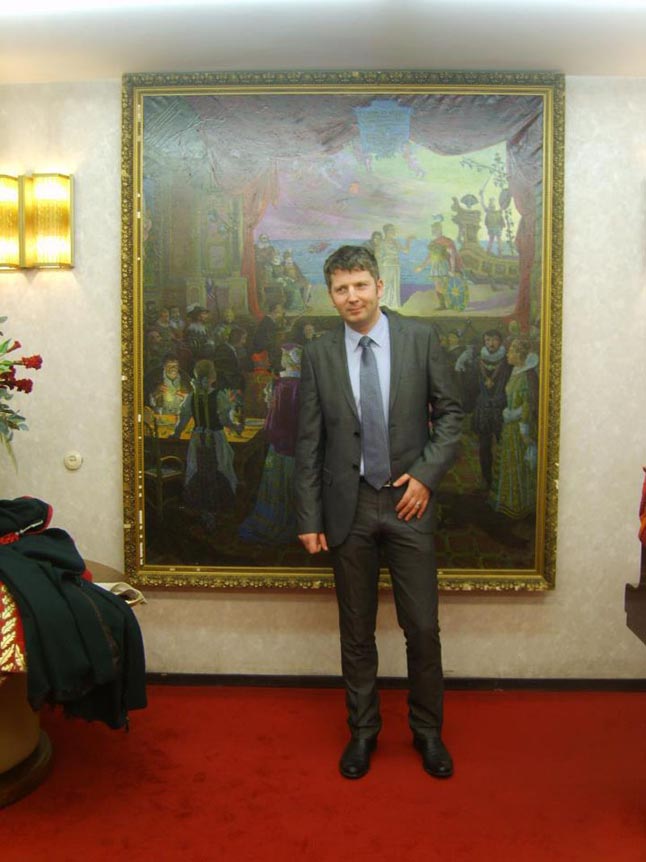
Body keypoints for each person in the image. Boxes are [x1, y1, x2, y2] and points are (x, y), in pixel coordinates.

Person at [294, 245, 463, 780]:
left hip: (410, 503)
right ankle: (363, 732)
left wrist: (426, 476)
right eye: (341, 289)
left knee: (423, 628)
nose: (352, 297)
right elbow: (309, 442)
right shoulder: (319, 353)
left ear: (379, 286)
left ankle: (427, 732)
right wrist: (309, 517)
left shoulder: (420, 338)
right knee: (356, 630)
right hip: (349, 508)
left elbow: (452, 415)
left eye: (360, 285)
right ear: (331, 295)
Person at [488, 337, 538, 519]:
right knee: (509, 464)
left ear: (519, 354)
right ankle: (507, 501)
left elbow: (528, 405)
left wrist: (521, 425)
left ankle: (519, 505)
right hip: (510, 426)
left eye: (510, 351)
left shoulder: (527, 375)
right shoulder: (516, 371)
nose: (507, 354)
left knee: (517, 465)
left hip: (519, 429)